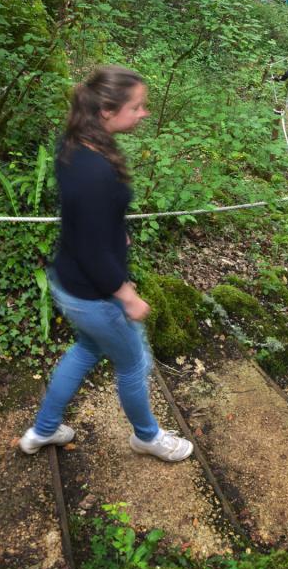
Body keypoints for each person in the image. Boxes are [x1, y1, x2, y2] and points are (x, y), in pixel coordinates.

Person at [19, 66, 193, 462]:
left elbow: (85, 219)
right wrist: (127, 295)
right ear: (107, 112)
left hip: (69, 280)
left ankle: (42, 431)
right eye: (137, 107)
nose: (144, 113)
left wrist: (115, 229)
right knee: (133, 363)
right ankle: (147, 436)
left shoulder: (76, 144)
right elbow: (94, 250)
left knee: (84, 350)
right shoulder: (95, 170)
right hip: (95, 293)